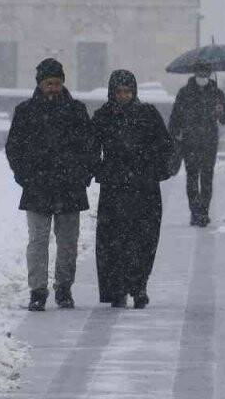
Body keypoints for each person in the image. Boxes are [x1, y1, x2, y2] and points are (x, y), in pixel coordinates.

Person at [5, 58, 97, 312]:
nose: (53, 88)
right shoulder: (25, 111)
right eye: (49, 83)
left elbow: (89, 146)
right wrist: (24, 175)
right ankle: (37, 291)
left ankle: (64, 288)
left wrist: (83, 174)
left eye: (57, 83)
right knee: (38, 241)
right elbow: (14, 147)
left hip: (69, 186)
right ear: (40, 84)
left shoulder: (77, 110)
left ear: (63, 83)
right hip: (37, 187)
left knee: (68, 242)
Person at [92, 70, 175, 309]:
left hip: (144, 187)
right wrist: (100, 170)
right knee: (113, 240)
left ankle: (138, 285)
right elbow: (89, 147)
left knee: (144, 238)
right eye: (118, 92)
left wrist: (157, 170)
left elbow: (165, 146)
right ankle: (116, 288)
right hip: (115, 187)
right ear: (112, 92)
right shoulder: (103, 116)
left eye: (127, 91)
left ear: (134, 91)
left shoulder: (148, 115)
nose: (123, 96)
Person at [168, 65, 225, 227]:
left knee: (207, 178)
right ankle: (195, 213)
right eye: (199, 73)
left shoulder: (217, 94)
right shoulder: (185, 93)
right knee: (192, 178)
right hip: (190, 143)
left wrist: (220, 111)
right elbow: (175, 117)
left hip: (209, 142)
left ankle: (204, 212)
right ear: (195, 74)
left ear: (210, 75)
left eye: (205, 74)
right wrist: (174, 135)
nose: (202, 77)